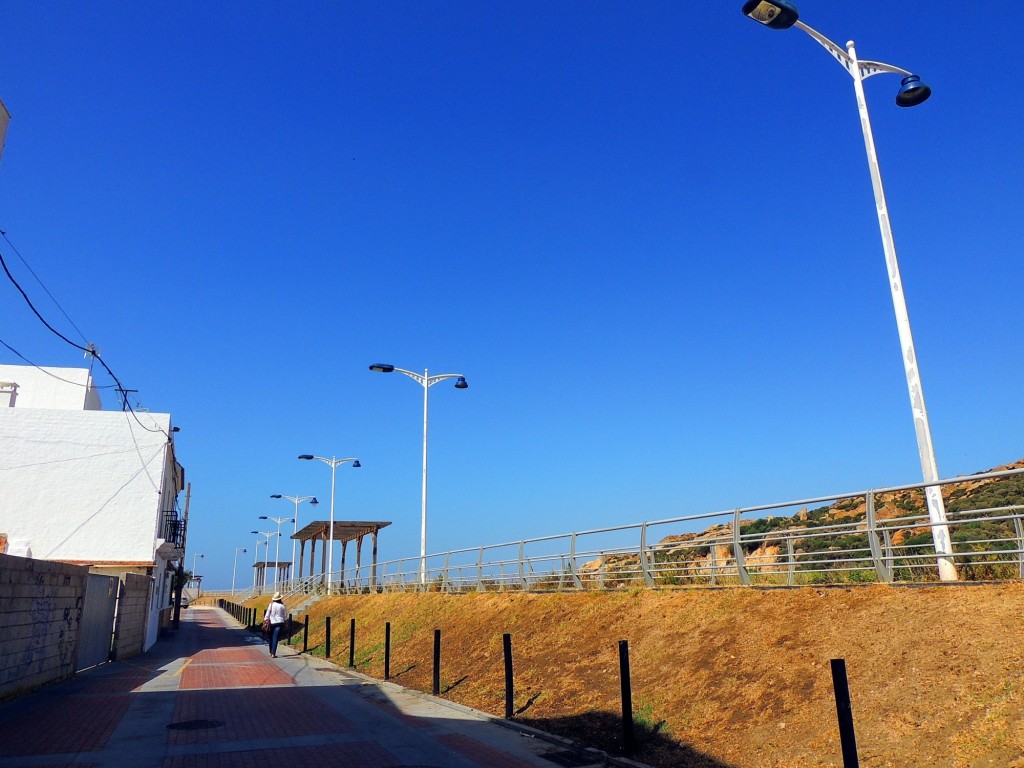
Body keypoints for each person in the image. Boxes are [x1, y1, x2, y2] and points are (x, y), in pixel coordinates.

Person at [263, 592, 288, 658]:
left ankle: (271, 651)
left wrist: (265, 620)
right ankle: (273, 653)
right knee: (275, 637)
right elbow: (285, 615)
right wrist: (286, 622)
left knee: (270, 637)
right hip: (280, 622)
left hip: (272, 622)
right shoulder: (283, 606)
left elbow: (267, 613)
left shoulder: (271, 605)